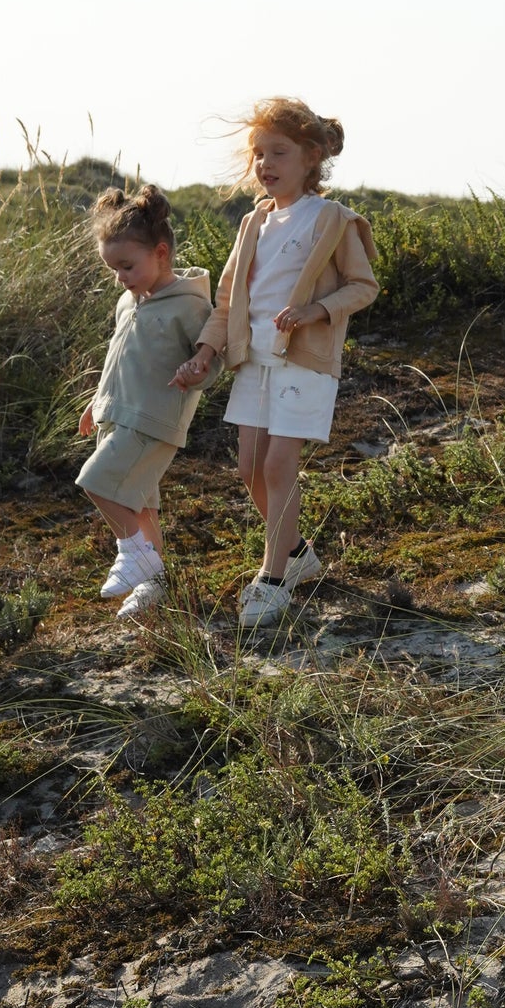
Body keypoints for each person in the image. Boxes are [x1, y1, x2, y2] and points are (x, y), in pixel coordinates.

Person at [173, 98, 378, 631]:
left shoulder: (333, 218)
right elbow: (227, 299)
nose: (265, 164)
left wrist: (317, 310)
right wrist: (206, 352)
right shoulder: (253, 223)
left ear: (311, 157)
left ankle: (272, 578)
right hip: (253, 360)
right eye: (258, 154)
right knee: (248, 469)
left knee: (278, 465)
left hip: (304, 360)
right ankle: (297, 553)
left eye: (278, 152)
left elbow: (363, 286)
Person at [77, 186, 213, 619]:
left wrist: (198, 368)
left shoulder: (188, 305)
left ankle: (135, 554)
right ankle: (156, 582)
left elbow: (213, 357)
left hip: (153, 420)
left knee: (95, 481)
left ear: (160, 253)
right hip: (119, 416)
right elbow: (117, 358)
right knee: (142, 504)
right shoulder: (128, 300)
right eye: (113, 269)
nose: (120, 276)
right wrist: (97, 402)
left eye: (127, 266)